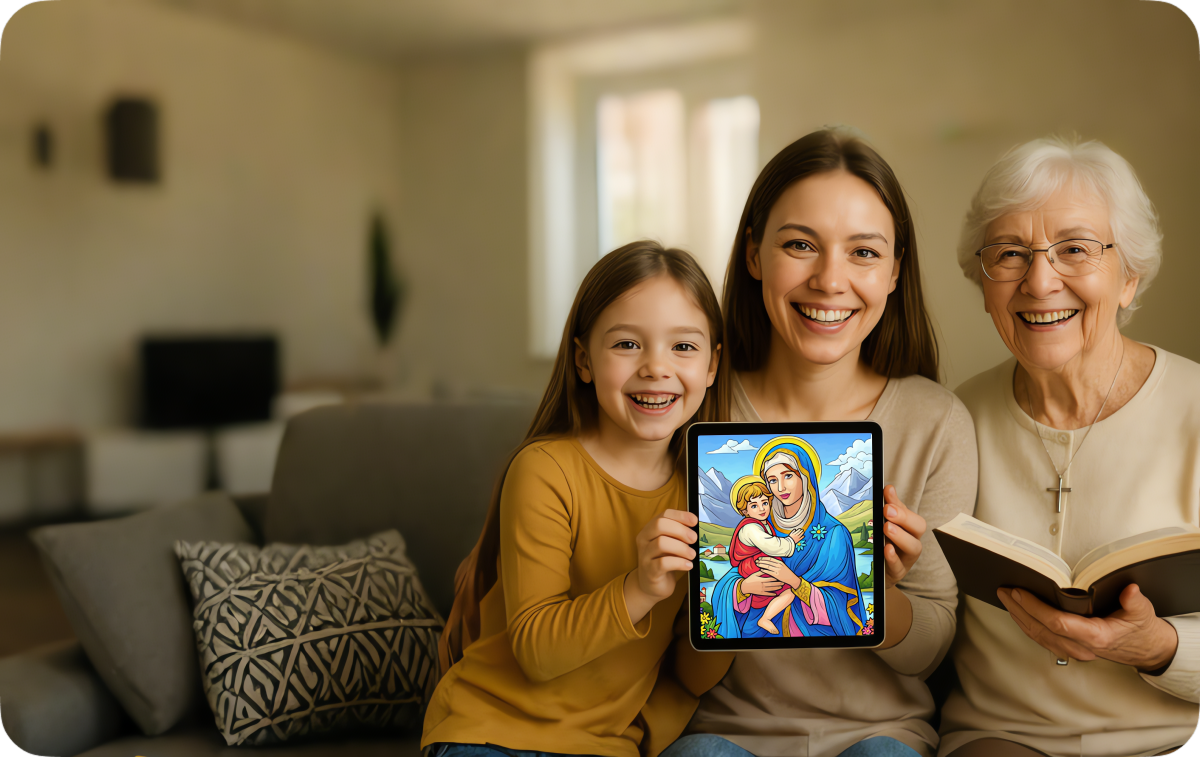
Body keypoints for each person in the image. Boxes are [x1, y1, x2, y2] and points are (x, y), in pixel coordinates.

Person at [666, 128, 978, 757]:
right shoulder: (692, 404)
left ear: (895, 271)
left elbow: (931, 649)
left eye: (863, 252)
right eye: (800, 245)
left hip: (881, 734)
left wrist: (876, 591)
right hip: (723, 733)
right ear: (754, 254)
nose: (830, 280)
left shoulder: (935, 421)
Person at [937, 136, 1200, 757]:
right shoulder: (954, 418)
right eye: (1009, 253)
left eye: (1075, 249)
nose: (1039, 281)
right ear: (983, 281)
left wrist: (1160, 648)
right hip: (999, 741)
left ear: (1129, 276)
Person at [422, 241, 726, 757]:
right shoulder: (545, 470)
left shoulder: (710, 493)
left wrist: (739, 622)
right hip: (491, 732)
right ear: (584, 360)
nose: (656, 367)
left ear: (713, 366)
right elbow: (537, 652)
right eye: (627, 344)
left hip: (606, 748)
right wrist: (640, 588)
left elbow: (690, 677)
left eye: (683, 346)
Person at [713, 438, 862, 638]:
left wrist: (793, 581)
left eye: (788, 476)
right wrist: (743, 588)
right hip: (755, 636)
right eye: (772, 480)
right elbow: (732, 576)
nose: (781, 488)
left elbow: (840, 602)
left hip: (809, 634)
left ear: (805, 477)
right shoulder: (762, 526)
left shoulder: (834, 533)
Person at [726, 474, 813, 635]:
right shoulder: (750, 528)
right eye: (754, 506)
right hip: (756, 566)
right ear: (744, 510)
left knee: (787, 592)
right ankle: (765, 618)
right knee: (785, 590)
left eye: (764, 503)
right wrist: (791, 540)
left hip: (759, 565)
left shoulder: (762, 524)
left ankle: (766, 617)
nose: (762, 509)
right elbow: (772, 546)